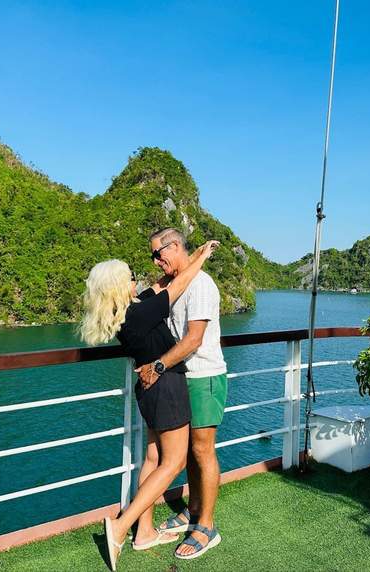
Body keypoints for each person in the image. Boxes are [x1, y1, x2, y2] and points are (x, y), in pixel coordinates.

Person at [79, 240, 219, 571]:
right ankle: (122, 524)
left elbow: (159, 286)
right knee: (173, 463)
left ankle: (144, 532)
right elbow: (179, 283)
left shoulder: (125, 312)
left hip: (148, 390)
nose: (136, 280)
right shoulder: (140, 312)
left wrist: (176, 264)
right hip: (166, 386)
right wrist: (202, 256)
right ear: (118, 286)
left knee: (153, 457)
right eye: (129, 277)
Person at [138, 228, 228, 560]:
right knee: (189, 451)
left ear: (175, 247)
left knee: (203, 451)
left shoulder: (201, 284)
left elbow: (193, 339)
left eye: (158, 254)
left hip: (204, 378)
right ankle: (192, 511)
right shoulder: (177, 284)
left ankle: (207, 526)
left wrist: (157, 367)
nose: (156, 261)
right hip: (182, 378)